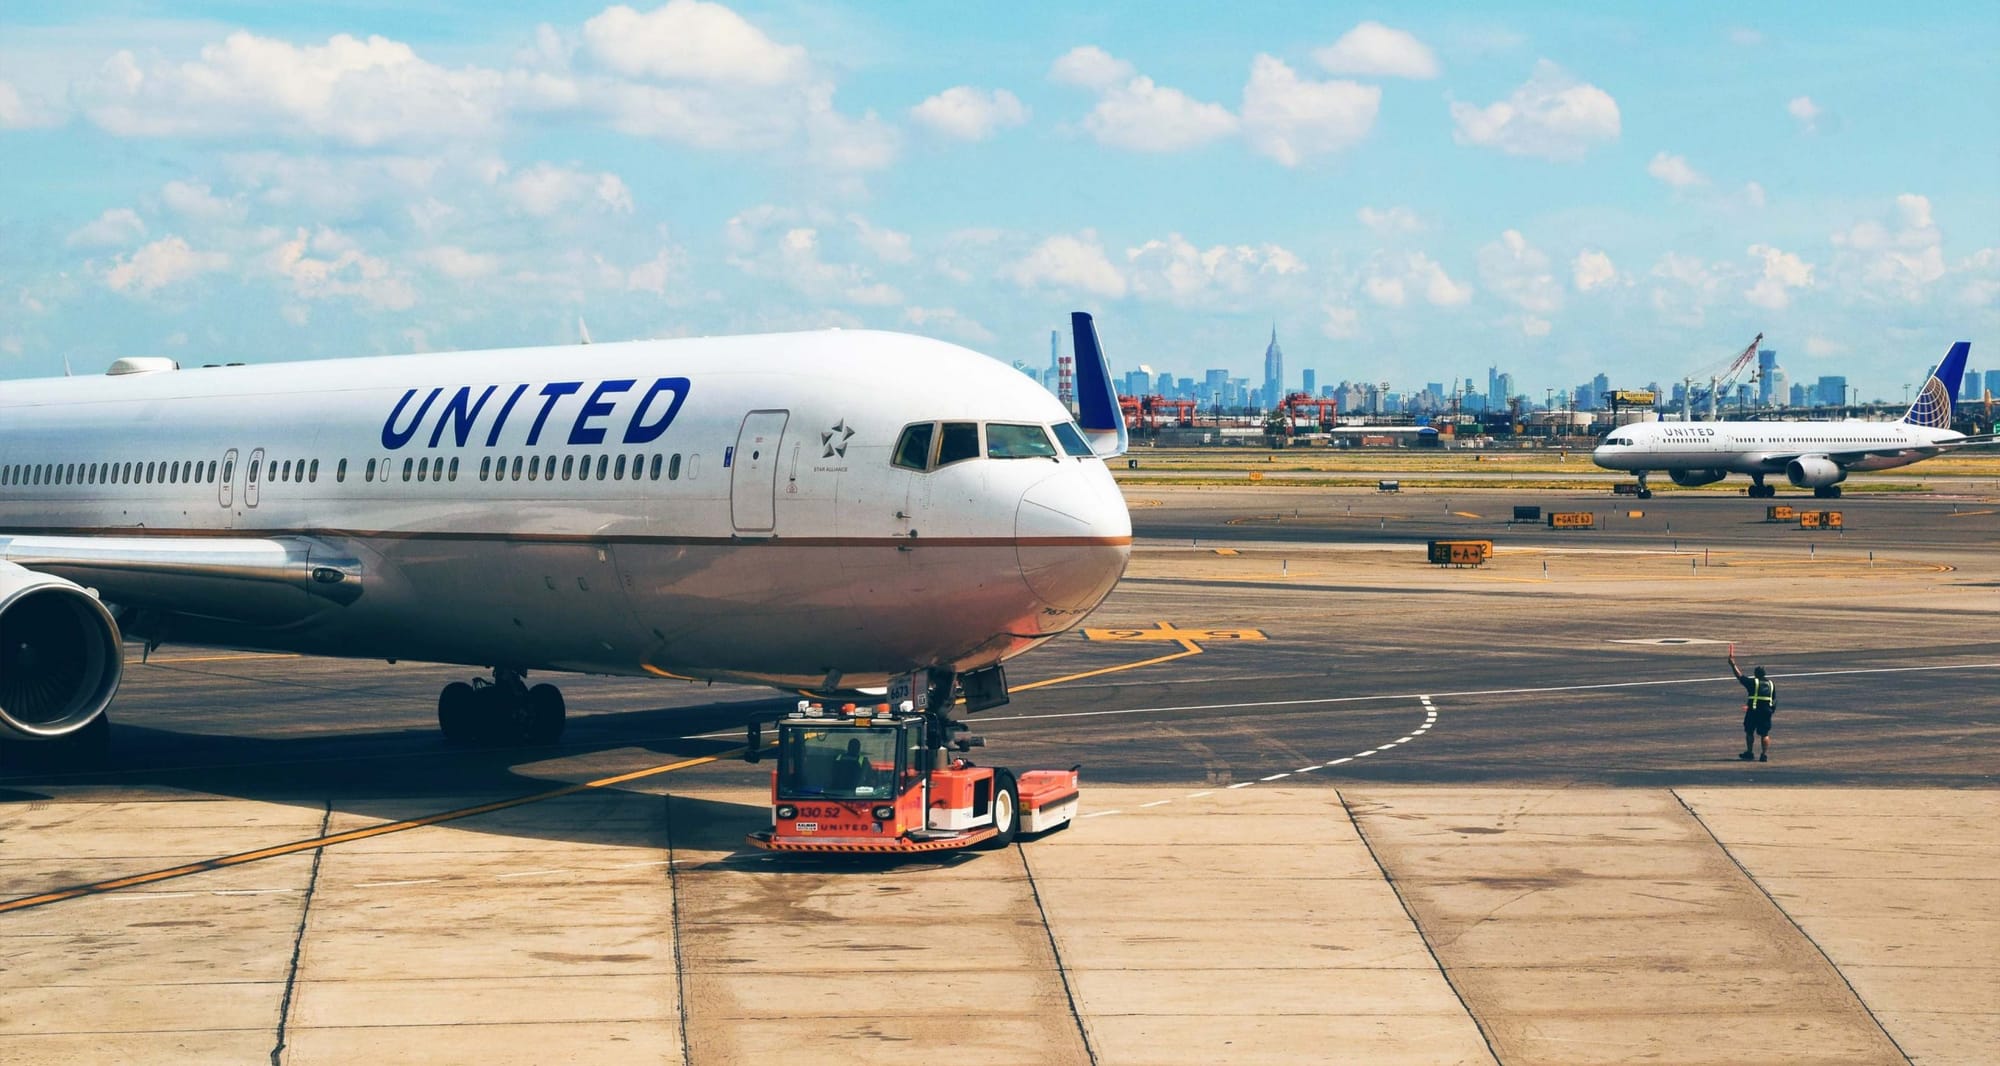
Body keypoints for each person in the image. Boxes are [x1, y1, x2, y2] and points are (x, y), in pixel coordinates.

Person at [1729, 649, 1775, 762]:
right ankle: (1764, 755)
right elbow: (1773, 699)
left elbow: (1739, 676)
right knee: (1765, 733)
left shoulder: (1753, 683)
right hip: (1766, 712)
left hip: (1754, 711)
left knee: (1749, 731)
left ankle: (1749, 752)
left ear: (1755, 674)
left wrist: (1732, 664)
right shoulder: (1771, 684)